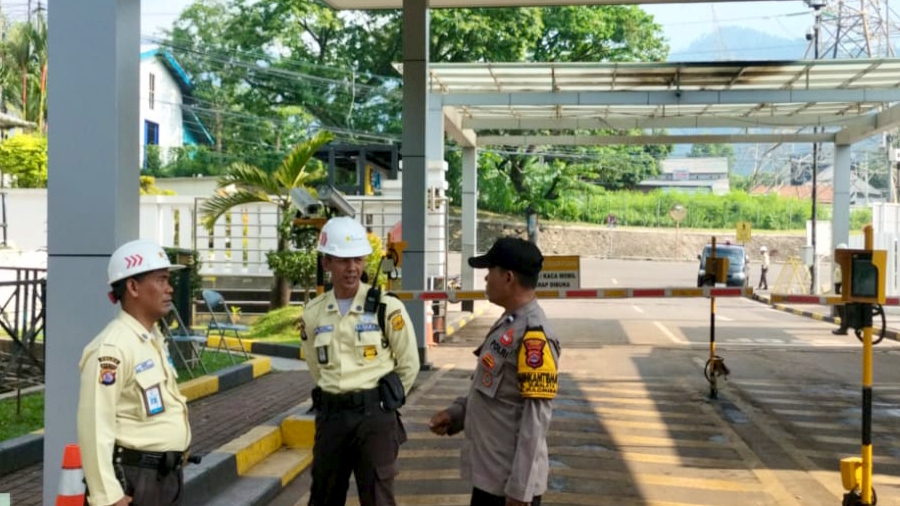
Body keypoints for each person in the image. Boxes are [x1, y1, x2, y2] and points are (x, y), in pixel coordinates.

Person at [428, 237, 561, 506]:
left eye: (490, 271)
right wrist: (457, 414)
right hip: (491, 477)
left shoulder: (533, 335)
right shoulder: (509, 322)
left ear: (508, 277)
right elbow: (495, 391)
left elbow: (536, 418)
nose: (486, 278)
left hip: (509, 486)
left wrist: (520, 490)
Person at [300, 216, 420, 506]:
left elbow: (409, 364)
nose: (352, 268)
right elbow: (316, 366)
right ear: (327, 262)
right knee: (324, 497)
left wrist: (384, 404)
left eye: (358, 259)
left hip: (374, 418)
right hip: (331, 418)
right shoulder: (314, 313)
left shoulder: (386, 307)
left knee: (378, 498)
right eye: (343, 260)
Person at [77, 239, 192, 506]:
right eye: (161, 280)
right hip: (134, 481)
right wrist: (108, 497)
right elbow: (94, 425)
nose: (169, 288)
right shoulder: (112, 348)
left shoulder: (151, 338)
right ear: (133, 287)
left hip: (164, 479)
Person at [833, 243, 849, 335]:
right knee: (839, 307)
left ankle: (843, 327)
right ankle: (843, 326)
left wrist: (841, 288)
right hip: (838, 286)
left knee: (842, 308)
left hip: (841, 287)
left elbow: (845, 276)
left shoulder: (845, 262)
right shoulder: (841, 262)